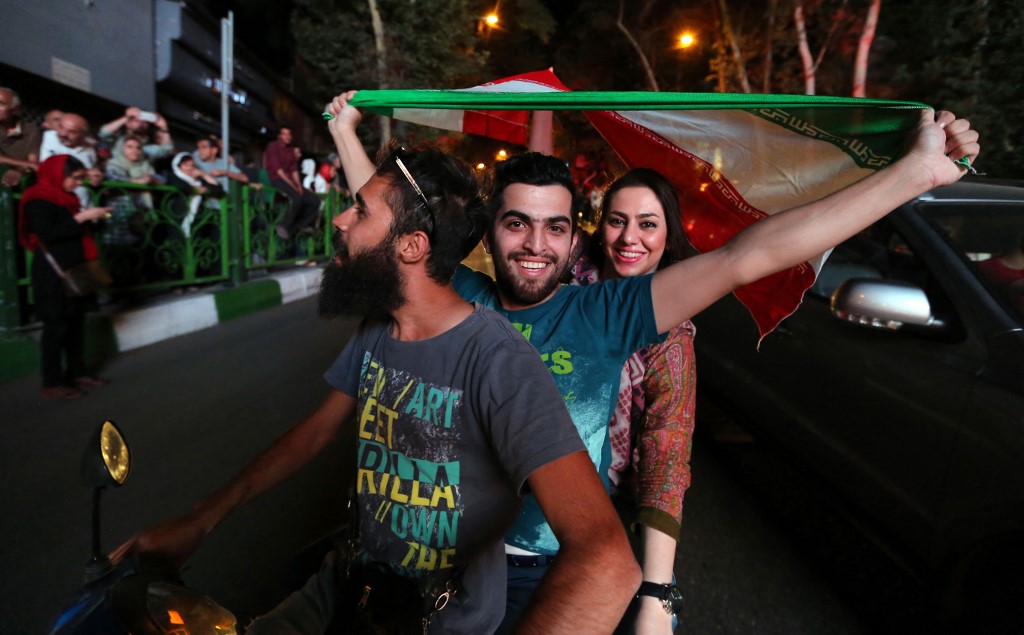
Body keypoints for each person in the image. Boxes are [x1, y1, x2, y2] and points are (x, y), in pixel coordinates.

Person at [327, 90, 980, 632]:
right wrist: (345, 129)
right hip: (435, 563)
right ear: (488, 233)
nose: (534, 244)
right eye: (515, 223)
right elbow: (380, 224)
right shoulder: (457, 295)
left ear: (574, 235)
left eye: (555, 227)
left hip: (544, 575)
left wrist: (913, 174)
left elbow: (746, 257)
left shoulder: (606, 313)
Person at [119, 139, 640, 633]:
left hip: (438, 619)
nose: (342, 221)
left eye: (361, 211)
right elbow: (313, 434)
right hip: (345, 583)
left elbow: (608, 559)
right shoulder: (378, 329)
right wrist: (200, 520)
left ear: (412, 246)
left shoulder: (500, 361)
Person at [570, 168, 696, 634]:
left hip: (607, 510)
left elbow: (668, 448)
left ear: (668, 234)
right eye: (617, 221)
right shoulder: (561, 280)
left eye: (648, 224)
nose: (630, 238)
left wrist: (657, 593)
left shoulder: (671, 332)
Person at [17, 155, 111, 398]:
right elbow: (48, 234)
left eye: (81, 178)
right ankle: (53, 380)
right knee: (56, 324)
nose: (78, 184)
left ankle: (77, 371)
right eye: (75, 178)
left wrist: (97, 218)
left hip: (75, 267)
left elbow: (77, 231)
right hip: (53, 270)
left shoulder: (68, 198)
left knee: (76, 321)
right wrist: (81, 218)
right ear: (58, 174)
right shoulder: (37, 198)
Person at [264, 125, 320, 239]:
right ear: (279, 136)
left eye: (289, 134)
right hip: (277, 179)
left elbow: (294, 170)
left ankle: (301, 224)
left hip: (290, 181)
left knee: (315, 201)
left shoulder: (290, 150)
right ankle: (283, 225)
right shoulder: (273, 146)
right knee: (297, 198)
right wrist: (294, 187)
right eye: (284, 134)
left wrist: (299, 185)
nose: (287, 136)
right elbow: (279, 171)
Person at [98, 106, 174, 163]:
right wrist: (126, 117)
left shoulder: (146, 149)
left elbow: (167, 151)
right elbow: (103, 133)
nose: (140, 123)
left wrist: (164, 126)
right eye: (136, 120)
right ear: (128, 123)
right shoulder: (117, 142)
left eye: (144, 122)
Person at [0, 87, 41, 187]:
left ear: (14, 110)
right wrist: (25, 164)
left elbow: (33, 161)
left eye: (1, 103)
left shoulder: (30, 130)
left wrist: (19, 170)